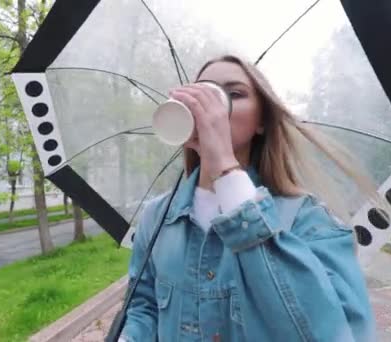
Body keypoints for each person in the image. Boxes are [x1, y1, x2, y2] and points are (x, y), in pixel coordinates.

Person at [118, 55, 376, 341]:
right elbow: (144, 306)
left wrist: (226, 171)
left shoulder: (308, 220)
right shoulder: (157, 216)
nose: (211, 109)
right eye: (202, 94)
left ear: (261, 121)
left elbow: (339, 333)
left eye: (233, 94)